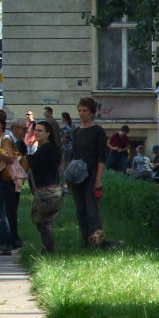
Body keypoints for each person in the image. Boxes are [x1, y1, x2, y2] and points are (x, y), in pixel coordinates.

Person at [67, 97, 107, 247]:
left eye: (85, 110)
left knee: (91, 210)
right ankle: (85, 241)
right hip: (76, 175)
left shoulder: (97, 131)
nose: (81, 113)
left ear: (92, 112)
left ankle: (96, 241)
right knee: (80, 210)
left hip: (91, 174)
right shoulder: (76, 131)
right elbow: (73, 154)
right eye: (79, 110)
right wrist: (68, 177)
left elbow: (102, 157)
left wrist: (98, 179)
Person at [0, 109, 24, 253]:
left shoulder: (6, 138)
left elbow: (10, 158)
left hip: (2, 176)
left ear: (3, 124)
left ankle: (4, 243)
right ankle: (5, 242)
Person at [22, 121, 61, 253]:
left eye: (40, 130)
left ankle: (49, 250)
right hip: (42, 190)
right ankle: (46, 247)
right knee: (40, 221)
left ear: (48, 133)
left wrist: (27, 158)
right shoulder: (43, 147)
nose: (36, 133)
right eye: (36, 130)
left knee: (45, 221)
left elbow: (35, 163)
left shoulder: (48, 148)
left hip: (48, 190)